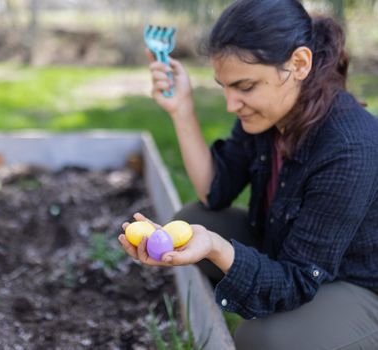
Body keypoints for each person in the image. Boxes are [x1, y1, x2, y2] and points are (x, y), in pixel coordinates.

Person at [118, 0, 378, 349]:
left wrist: (217, 248)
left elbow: (299, 279)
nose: (230, 104)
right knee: (193, 219)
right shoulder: (270, 116)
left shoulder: (349, 146)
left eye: (245, 87)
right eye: (225, 87)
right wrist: (182, 110)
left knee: (263, 338)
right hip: (290, 249)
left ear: (299, 64)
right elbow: (215, 192)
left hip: (357, 282)